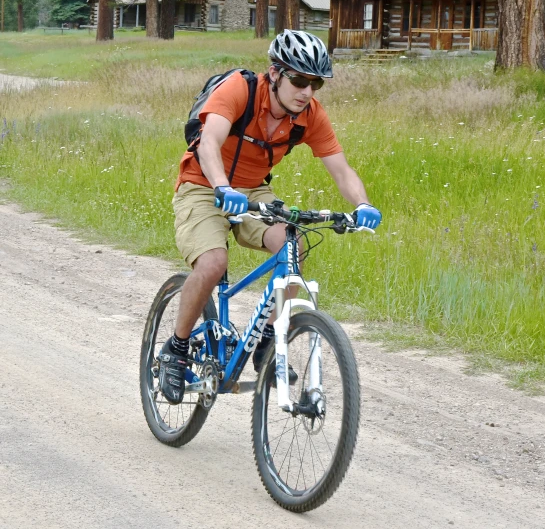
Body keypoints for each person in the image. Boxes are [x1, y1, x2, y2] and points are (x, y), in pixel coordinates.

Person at [158, 30, 382, 404]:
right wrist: (220, 187)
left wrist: (363, 205)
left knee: (292, 245)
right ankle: (176, 350)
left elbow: (341, 170)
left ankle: (266, 339)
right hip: (202, 184)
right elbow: (210, 142)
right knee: (213, 263)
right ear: (275, 73)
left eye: (315, 83)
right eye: (298, 79)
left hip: (253, 191)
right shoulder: (239, 90)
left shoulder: (310, 116)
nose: (306, 91)